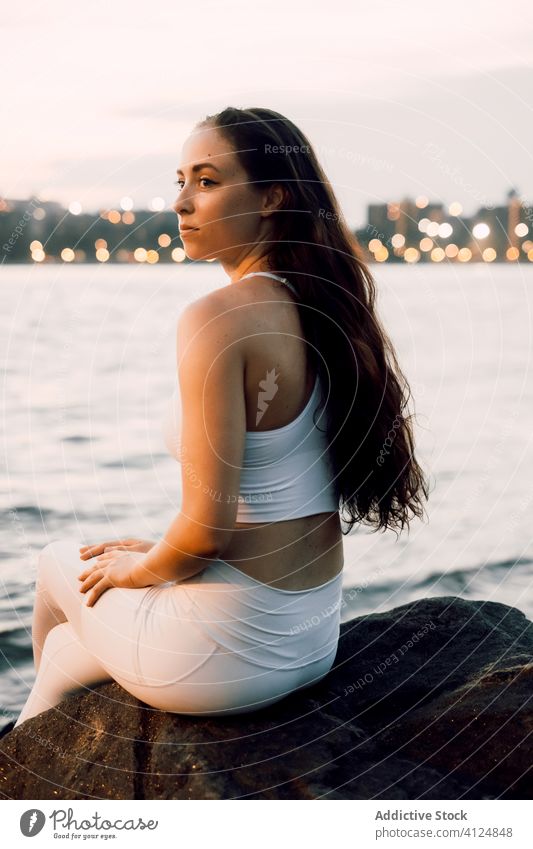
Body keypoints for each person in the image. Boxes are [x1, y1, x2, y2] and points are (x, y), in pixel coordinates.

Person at [11, 106, 429, 729]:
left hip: (229, 655)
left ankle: (46, 763)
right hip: (310, 641)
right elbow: (264, 498)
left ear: (271, 198)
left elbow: (205, 533)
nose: (181, 202)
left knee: (54, 562)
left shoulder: (218, 317)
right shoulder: (324, 307)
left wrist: (143, 567)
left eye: (207, 182)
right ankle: (25, 757)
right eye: (179, 180)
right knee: (69, 655)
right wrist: (159, 553)